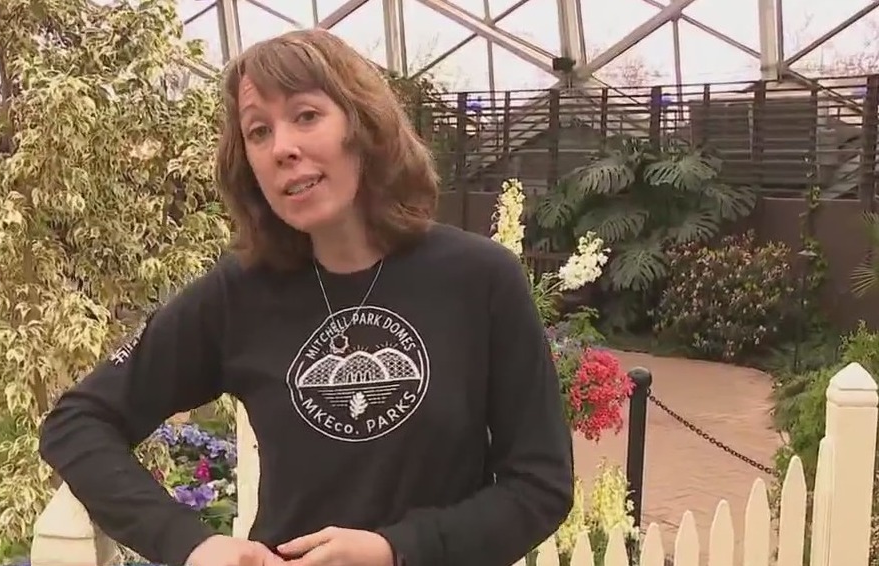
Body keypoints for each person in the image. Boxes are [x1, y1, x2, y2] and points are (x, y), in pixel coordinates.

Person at [38, 28, 574, 566]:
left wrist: (398, 550)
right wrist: (190, 544)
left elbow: (540, 486)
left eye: (306, 116)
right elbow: (79, 420)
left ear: (362, 125)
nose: (282, 149)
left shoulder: (479, 280)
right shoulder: (239, 293)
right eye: (258, 132)